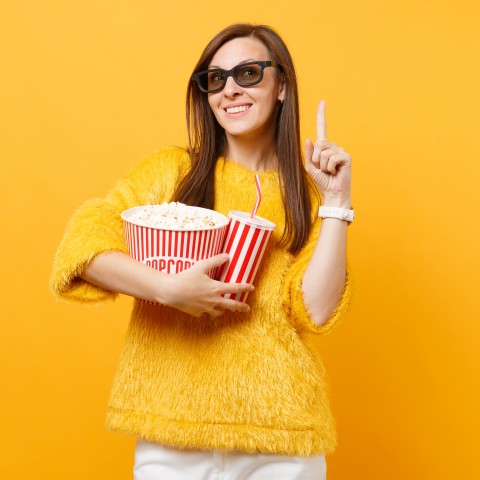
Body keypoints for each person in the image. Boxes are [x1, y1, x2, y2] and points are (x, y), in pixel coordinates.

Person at [51, 23, 353, 480]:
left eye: (248, 73)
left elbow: (314, 309)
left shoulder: (307, 196)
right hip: (171, 435)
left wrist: (336, 204)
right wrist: (167, 289)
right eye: (216, 79)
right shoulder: (174, 173)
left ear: (282, 86)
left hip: (282, 438)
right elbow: (82, 246)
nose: (230, 89)